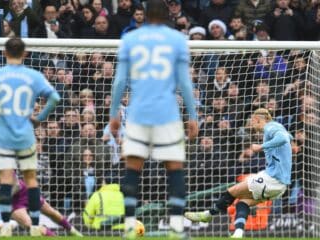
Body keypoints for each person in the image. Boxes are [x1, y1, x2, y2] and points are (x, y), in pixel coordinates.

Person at [109, 0, 199, 238]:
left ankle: (129, 227)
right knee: (175, 170)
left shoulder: (130, 39)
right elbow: (184, 82)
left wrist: (114, 113)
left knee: (132, 170)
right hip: (167, 114)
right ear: (168, 14)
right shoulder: (177, 40)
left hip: (138, 114)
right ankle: (177, 228)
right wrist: (193, 115)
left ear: (146, 16)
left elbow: (119, 81)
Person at [0, 38, 60, 237]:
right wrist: (39, 118)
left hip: (3, 136)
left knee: (7, 180)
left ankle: (7, 224)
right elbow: (55, 98)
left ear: (4, 53)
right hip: (26, 135)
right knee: (31, 179)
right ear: (25, 53)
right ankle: (35, 225)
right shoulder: (33, 75)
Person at [185, 108, 292, 239]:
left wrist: (261, 147)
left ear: (257, 119)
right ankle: (238, 233)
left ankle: (208, 215)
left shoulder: (270, 127)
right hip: (279, 185)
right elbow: (288, 136)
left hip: (274, 179)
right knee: (243, 202)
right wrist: (293, 144)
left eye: (253, 122)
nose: (252, 125)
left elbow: (284, 137)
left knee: (232, 191)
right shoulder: (276, 127)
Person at [0, 178, 83, 237]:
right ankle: (54, 237)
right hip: (13, 201)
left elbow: (16, 185)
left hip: (22, 191)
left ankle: (74, 232)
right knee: (30, 225)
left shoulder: (3, 164)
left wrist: (4, 196)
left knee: (50, 212)